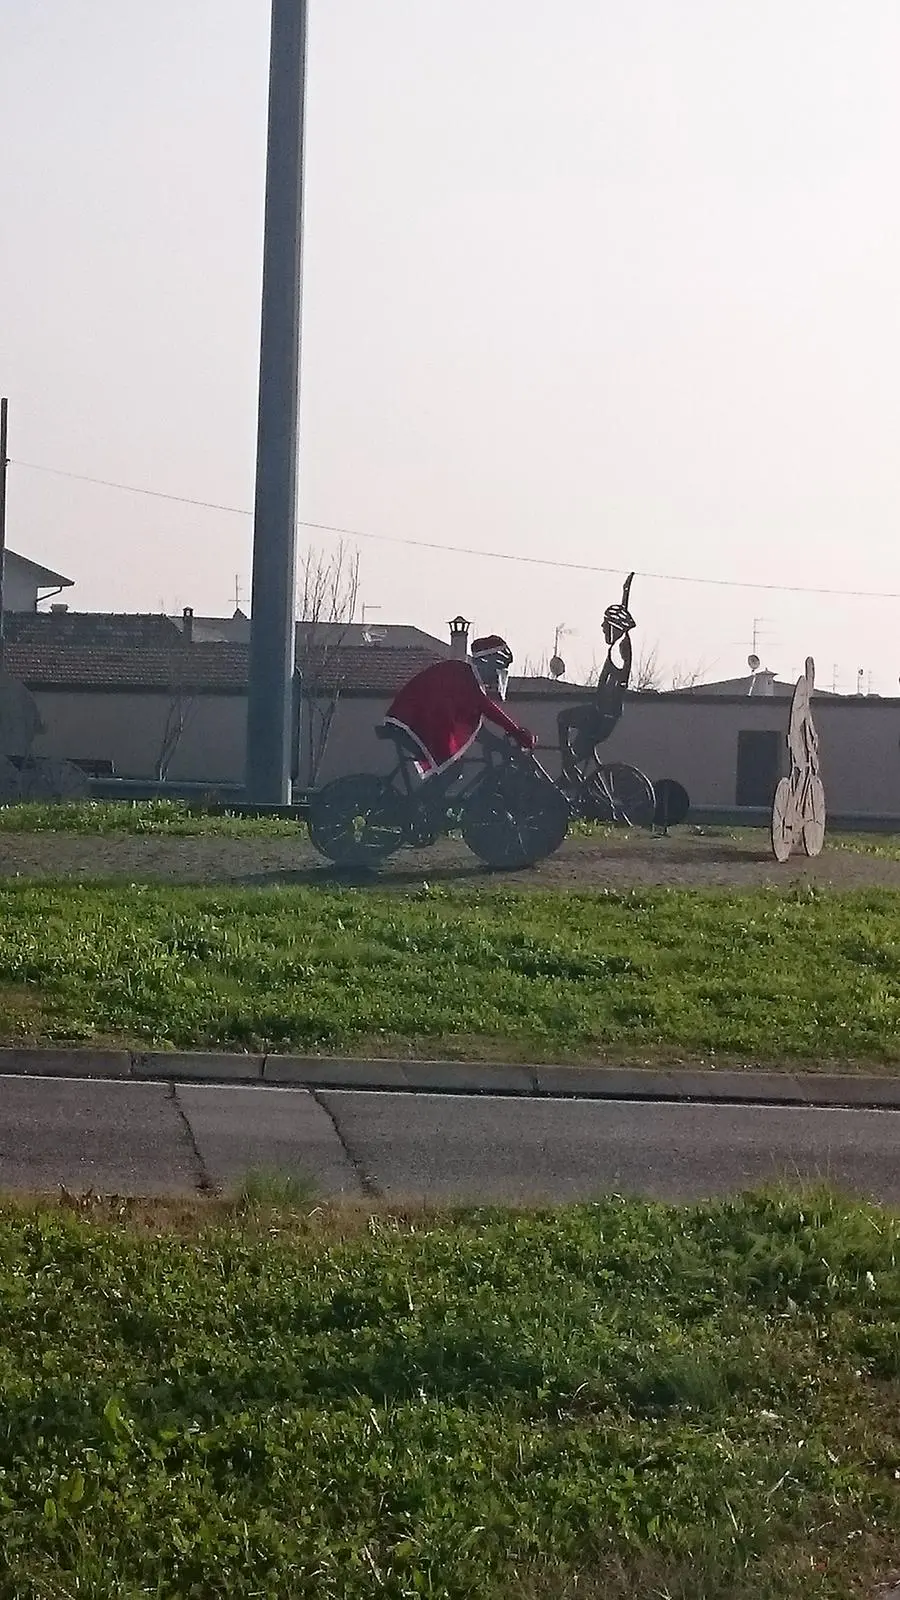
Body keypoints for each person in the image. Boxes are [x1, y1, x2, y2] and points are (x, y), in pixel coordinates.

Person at [383, 634, 536, 777]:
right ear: (487, 664)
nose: (496, 679)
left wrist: (499, 741)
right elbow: (488, 709)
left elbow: (471, 721)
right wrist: (516, 733)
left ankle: (428, 803)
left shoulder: (465, 675)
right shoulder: (465, 678)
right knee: (452, 769)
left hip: (407, 720)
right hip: (406, 722)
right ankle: (425, 805)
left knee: (451, 766)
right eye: (497, 672)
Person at [557, 574, 636, 788]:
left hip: (602, 714)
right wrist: (625, 594)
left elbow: (617, 678)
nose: (602, 627)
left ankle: (567, 764)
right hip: (605, 714)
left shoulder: (619, 648)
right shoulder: (622, 645)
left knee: (563, 719)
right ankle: (567, 779)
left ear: (614, 626)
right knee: (575, 759)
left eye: (605, 624)